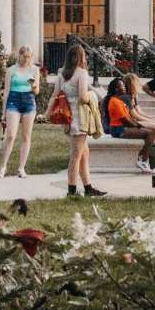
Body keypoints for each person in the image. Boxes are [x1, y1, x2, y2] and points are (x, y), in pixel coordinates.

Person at [58, 46, 105, 198]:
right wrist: (93, 95)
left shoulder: (63, 74)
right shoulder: (81, 73)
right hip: (80, 116)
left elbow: (56, 94)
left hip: (68, 116)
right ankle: (71, 190)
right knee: (76, 155)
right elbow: (83, 97)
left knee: (84, 153)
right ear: (81, 57)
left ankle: (88, 187)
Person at [0, 46, 41, 180]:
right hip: (13, 100)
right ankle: (3, 167)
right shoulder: (11, 70)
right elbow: (6, 91)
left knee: (26, 136)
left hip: (29, 101)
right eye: (24, 56)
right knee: (11, 136)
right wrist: (3, 111)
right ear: (19, 55)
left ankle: (21, 168)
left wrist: (33, 85)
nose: (27, 59)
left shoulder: (34, 69)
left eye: (29, 56)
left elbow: (37, 91)